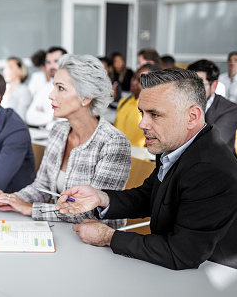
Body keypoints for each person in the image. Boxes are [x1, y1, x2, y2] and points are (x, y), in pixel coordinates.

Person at [56, 68, 237, 270]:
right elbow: (150, 196)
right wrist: (101, 198)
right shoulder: (176, 143)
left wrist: (108, 236)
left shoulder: (209, 170)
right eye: (143, 112)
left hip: (214, 274)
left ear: (192, 116)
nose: (142, 123)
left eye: (155, 114)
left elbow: (181, 253)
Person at [0, 55, 131, 229]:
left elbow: (90, 212)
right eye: (53, 87)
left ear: (86, 97)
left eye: (61, 88)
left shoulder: (113, 142)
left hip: (98, 243)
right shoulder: (58, 131)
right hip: (63, 231)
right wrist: (11, 199)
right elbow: (41, 187)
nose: (51, 95)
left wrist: (30, 209)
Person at [188, 59, 237, 156]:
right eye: (189, 84)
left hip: (219, 166)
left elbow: (213, 144)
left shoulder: (230, 109)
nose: (193, 89)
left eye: (199, 84)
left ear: (214, 86)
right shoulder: (182, 105)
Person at [113, 63, 161, 147]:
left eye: (140, 81)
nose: (134, 82)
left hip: (140, 157)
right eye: (134, 77)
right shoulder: (123, 102)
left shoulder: (153, 108)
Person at [26, 46, 67, 127]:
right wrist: (52, 117)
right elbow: (29, 116)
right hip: (45, 135)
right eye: (48, 62)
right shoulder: (45, 88)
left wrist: (43, 117)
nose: (51, 66)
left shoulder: (74, 87)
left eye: (56, 61)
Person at [1, 56, 32, 121]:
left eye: (10, 67)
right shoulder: (4, 88)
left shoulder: (23, 90)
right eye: (5, 68)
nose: (5, 71)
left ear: (20, 70)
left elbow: (20, 117)